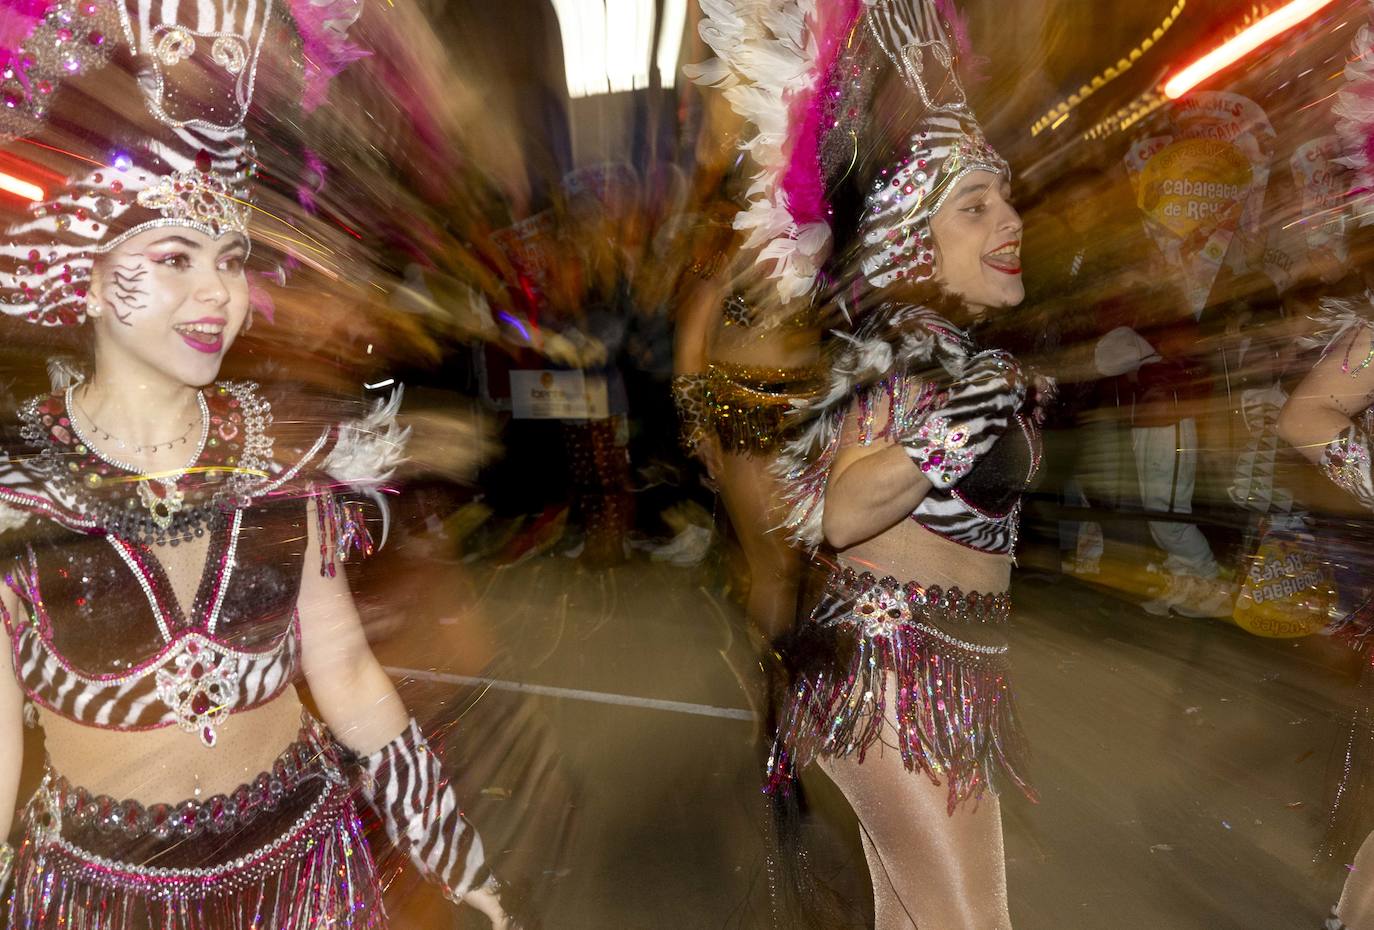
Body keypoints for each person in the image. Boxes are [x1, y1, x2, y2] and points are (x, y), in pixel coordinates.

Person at [0, 2, 515, 926]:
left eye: (230, 258)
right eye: (175, 256)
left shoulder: (279, 458)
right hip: (101, 905)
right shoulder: (14, 495)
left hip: (311, 883)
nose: (218, 294)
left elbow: (351, 680)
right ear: (85, 277)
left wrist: (460, 860)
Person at [694, 0, 1047, 926]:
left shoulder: (946, 346)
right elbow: (845, 511)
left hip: (939, 670)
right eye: (974, 207)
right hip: (893, 679)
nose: (1008, 221)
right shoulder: (905, 346)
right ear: (911, 241)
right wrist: (963, 421)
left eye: (1004, 198)